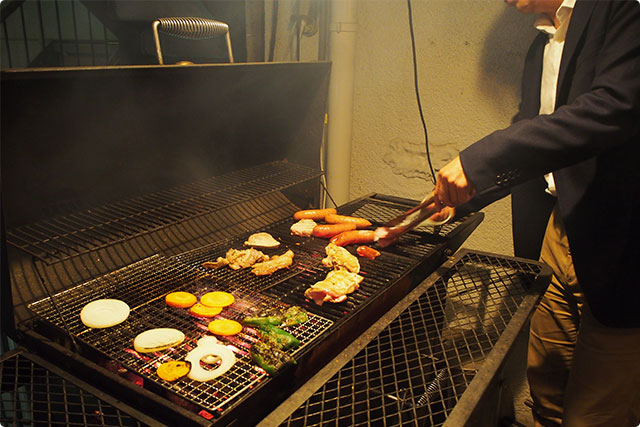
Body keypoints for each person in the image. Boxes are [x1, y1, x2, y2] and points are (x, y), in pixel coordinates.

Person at [432, 0, 640, 426]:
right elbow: (534, 137)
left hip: (622, 240)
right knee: (547, 382)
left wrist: (479, 158)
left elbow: (613, 107)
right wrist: (459, 201)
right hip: (559, 229)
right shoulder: (540, 45)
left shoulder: (623, 10)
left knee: (595, 414)